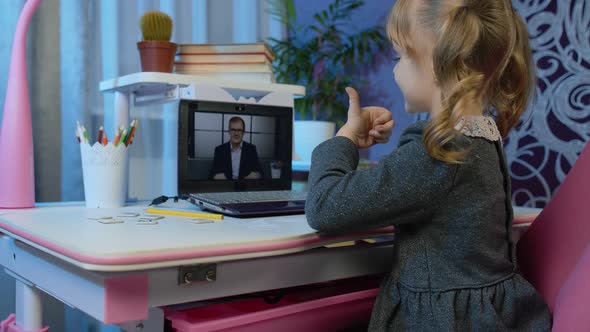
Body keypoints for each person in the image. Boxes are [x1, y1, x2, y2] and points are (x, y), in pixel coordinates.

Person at [305, 0, 552, 330]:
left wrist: (346, 137)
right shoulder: (481, 134)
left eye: (400, 56)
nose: (395, 70)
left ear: (439, 59)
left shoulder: (440, 149)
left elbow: (324, 205)